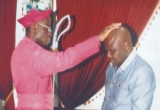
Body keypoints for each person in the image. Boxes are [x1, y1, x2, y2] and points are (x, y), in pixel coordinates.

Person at [11, 9, 121, 110]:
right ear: (34, 26)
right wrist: (98, 39)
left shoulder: (23, 48)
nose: (50, 33)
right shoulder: (31, 52)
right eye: (48, 28)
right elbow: (66, 59)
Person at [101, 26, 156, 110]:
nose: (108, 55)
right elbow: (107, 100)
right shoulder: (111, 68)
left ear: (125, 46)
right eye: (107, 51)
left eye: (112, 51)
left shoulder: (142, 72)